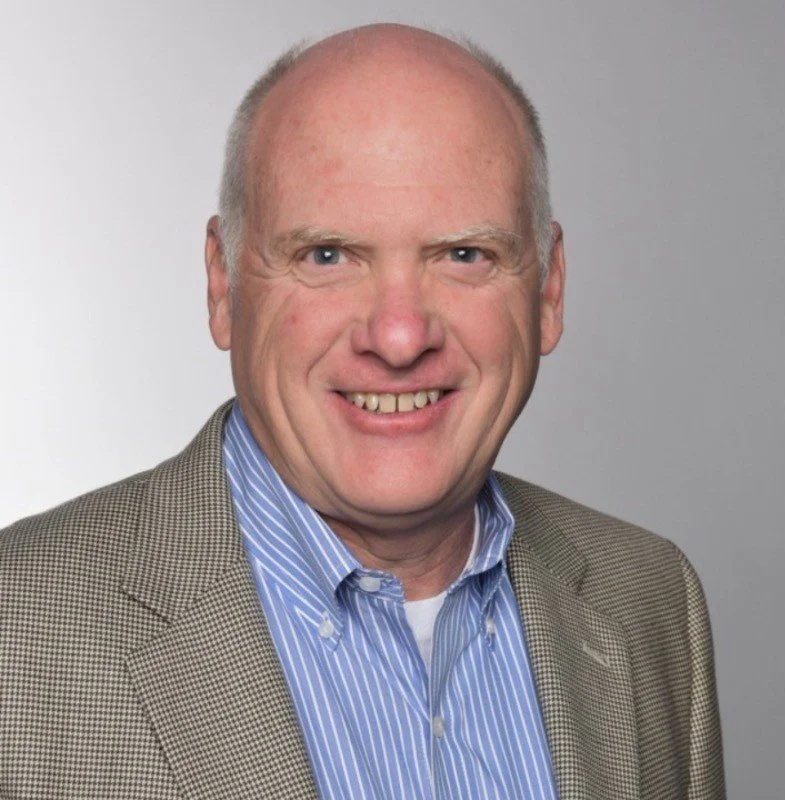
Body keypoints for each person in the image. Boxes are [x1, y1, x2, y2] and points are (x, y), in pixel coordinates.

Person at [0, 23, 724, 800]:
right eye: (327, 255)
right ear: (222, 284)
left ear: (547, 290)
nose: (400, 336)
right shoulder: (19, 634)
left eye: (464, 255)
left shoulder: (650, 600)